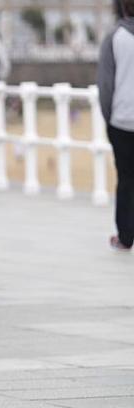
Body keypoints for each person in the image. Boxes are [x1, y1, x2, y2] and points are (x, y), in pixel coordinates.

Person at [98, 0, 134, 251]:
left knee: (126, 180)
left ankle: (125, 235)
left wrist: (108, 116)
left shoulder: (114, 37)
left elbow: (106, 84)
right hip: (122, 120)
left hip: (121, 121)